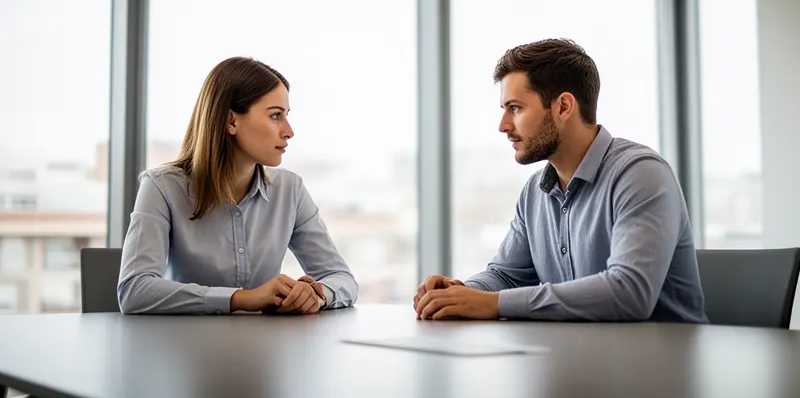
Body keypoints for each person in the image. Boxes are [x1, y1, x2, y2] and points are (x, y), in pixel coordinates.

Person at [414, 39, 707, 323]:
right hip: (579, 360)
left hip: (661, 366)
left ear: (564, 107)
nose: (503, 125)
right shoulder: (534, 192)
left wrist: (494, 303)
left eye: (515, 108)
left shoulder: (640, 173)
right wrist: (459, 293)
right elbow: (506, 275)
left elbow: (629, 293)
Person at [118, 57, 357, 314]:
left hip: (266, 349)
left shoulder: (290, 189)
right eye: (276, 115)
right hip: (188, 347)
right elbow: (135, 290)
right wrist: (242, 298)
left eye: (286, 116)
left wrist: (317, 296)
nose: (289, 131)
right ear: (231, 121)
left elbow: (341, 278)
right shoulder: (161, 187)